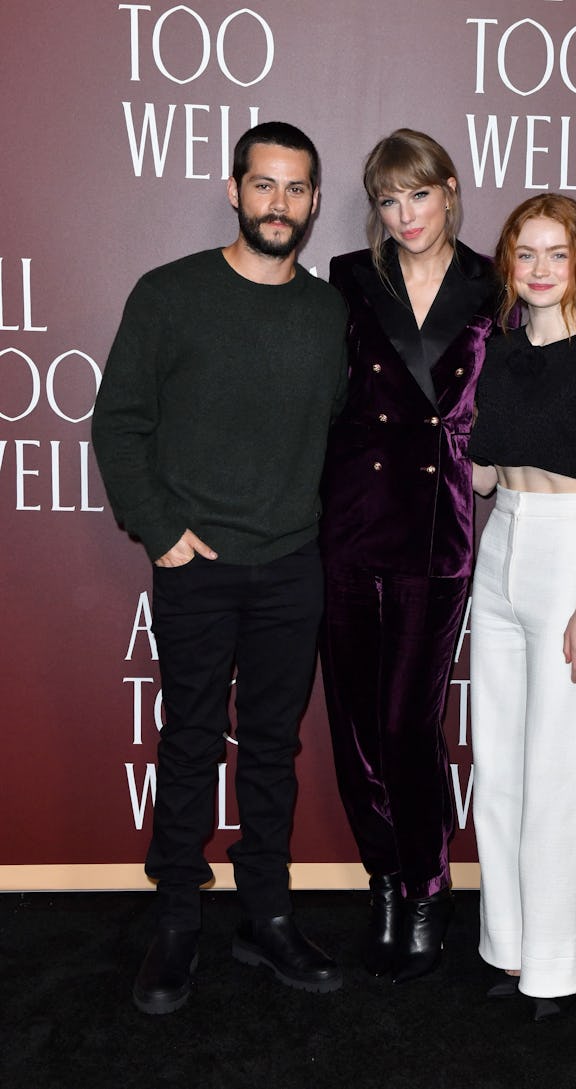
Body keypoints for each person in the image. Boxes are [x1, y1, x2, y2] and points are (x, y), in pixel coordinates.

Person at [91, 121, 348, 1015]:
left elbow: (348, 439)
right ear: (234, 190)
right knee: (192, 740)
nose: (279, 203)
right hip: (196, 564)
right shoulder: (169, 294)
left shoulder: (327, 315)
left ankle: (266, 917)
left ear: (316, 203)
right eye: (264, 185)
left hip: (291, 567)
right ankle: (175, 922)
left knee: (275, 750)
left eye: (296, 189)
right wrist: (161, 530)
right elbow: (118, 422)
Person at [318, 129, 508, 983]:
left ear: (449, 190)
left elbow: (519, 393)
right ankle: (385, 879)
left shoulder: (492, 283)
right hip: (354, 518)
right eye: (389, 201)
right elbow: (328, 391)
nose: (406, 216)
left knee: (405, 723)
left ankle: (429, 884)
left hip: (441, 526)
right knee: (355, 724)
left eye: (419, 195)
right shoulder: (352, 279)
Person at [468, 194, 576, 1021]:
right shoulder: (496, 355)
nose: (540, 269)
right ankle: (506, 943)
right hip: (500, 547)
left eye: (556, 254)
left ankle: (554, 963)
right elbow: (480, 473)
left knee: (556, 773)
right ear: (509, 263)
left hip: (569, 553)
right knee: (496, 763)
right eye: (525, 253)